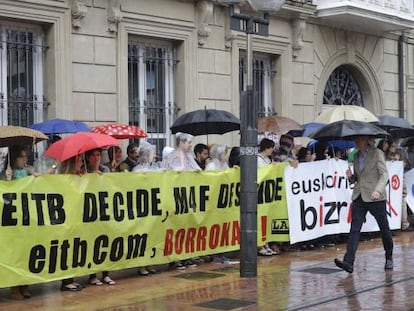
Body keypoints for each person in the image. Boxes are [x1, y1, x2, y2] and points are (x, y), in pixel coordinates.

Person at [334, 136, 393, 273]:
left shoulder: (377, 153)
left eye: (359, 139)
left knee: (384, 228)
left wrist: (378, 190)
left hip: (375, 197)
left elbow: (384, 175)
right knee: (355, 228)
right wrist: (350, 177)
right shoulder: (355, 156)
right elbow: (357, 179)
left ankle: (389, 256)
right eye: (355, 139)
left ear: (367, 140)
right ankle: (349, 262)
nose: (356, 141)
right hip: (359, 196)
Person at [84, 149, 115, 285]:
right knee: (92, 244)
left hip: (103, 210)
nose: (97, 158)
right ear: (88, 158)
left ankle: (106, 273)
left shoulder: (105, 170)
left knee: (106, 242)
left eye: (98, 155)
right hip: (90, 212)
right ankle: (92, 275)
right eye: (94, 155)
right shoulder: (84, 172)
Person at [58, 155, 84, 292]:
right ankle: (66, 281)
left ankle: (70, 279)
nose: (81, 162)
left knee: (73, 249)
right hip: (66, 220)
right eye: (79, 160)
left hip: (75, 220)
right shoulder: (64, 178)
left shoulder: (77, 176)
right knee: (66, 249)